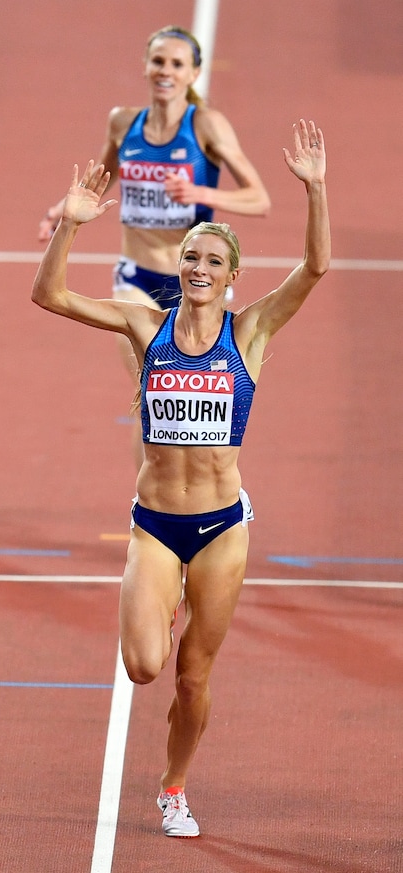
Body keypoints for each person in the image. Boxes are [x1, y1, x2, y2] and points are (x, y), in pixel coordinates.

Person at [32, 119, 329, 837]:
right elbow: (52, 298)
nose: (196, 266)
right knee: (142, 666)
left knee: (192, 677)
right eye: (189, 256)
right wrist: (67, 227)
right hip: (157, 522)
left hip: (223, 528)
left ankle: (174, 785)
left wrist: (316, 189)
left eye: (210, 260)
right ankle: (156, 599)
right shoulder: (145, 327)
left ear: (231, 278)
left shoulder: (250, 333)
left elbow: (315, 269)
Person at [38, 25, 270, 470]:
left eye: (177, 64)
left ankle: (202, 482)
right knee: (152, 386)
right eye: (159, 61)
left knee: (184, 397)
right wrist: (58, 211)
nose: (166, 71)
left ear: (194, 73)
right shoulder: (123, 122)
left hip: (195, 283)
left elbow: (259, 198)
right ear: (146, 66)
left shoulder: (204, 126)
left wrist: (201, 197)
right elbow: (104, 170)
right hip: (136, 278)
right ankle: (150, 500)